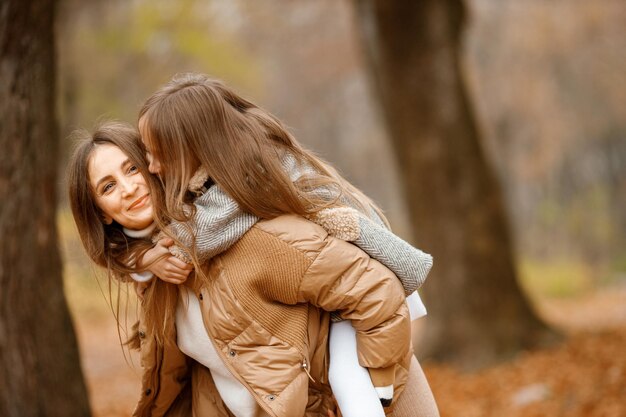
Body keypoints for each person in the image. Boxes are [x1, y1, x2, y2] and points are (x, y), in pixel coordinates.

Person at [67, 122, 436, 417]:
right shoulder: (155, 277)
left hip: (368, 390)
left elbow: (374, 289)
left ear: (155, 164)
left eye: (132, 167)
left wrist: (364, 390)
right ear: (101, 211)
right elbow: (206, 374)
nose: (129, 188)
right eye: (109, 186)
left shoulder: (236, 234)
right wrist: (140, 258)